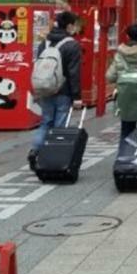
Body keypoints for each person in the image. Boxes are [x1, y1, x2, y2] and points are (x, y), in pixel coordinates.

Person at [29, 11, 82, 168]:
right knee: (60, 126)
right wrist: (77, 96)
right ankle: (53, 157)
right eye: (74, 25)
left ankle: (35, 151)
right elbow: (73, 73)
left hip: (44, 88)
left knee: (46, 121)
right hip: (63, 91)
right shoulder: (71, 45)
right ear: (70, 25)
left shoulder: (44, 43)